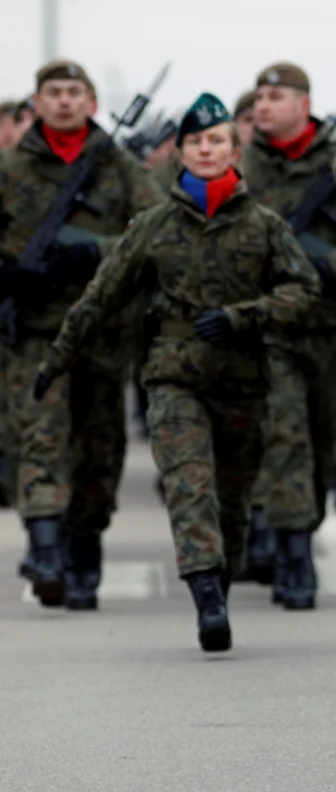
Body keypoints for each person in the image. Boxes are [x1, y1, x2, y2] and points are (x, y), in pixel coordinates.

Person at [36, 93, 320, 649]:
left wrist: (246, 317)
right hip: (172, 378)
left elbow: (304, 290)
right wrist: (56, 360)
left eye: (216, 141)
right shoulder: (152, 225)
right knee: (189, 485)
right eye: (195, 142)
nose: (206, 150)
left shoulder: (264, 226)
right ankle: (206, 594)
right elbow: (100, 297)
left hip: (242, 380)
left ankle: (221, 570)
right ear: (181, 153)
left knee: (233, 502)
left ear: (234, 150)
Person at [0, 60, 162, 610]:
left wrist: (94, 251)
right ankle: (45, 552)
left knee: (98, 449)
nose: (64, 101)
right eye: (53, 92)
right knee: (39, 439)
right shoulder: (9, 168)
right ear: (36, 103)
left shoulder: (116, 166)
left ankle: (83, 552)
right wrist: (13, 274)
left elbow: (158, 234)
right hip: (35, 333)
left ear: (91, 102)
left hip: (101, 332)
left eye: (74, 92)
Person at [241, 62, 336, 609]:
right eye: (259, 97)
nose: (263, 106)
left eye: (275, 96)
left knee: (321, 440)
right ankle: (294, 552)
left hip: (330, 321)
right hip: (269, 324)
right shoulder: (243, 161)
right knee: (285, 435)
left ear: (304, 103)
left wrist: (334, 263)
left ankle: (297, 524)